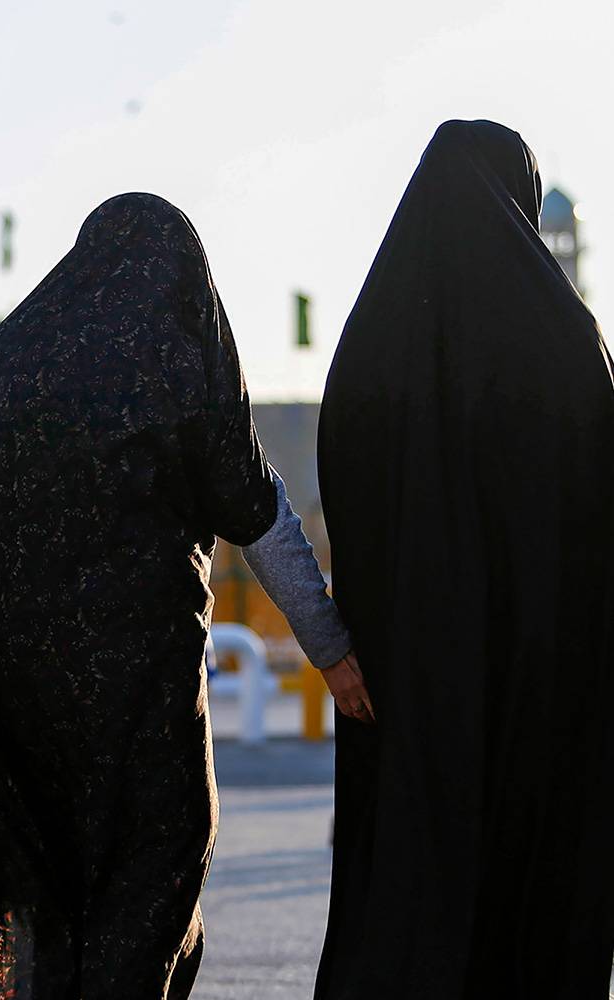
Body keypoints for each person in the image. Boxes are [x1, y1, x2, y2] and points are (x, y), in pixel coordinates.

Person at [0, 193, 369, 1000]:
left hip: (16, 697)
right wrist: (331, 651)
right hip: (137, 695)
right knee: (153, 870)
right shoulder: (171, 354)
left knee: (49, 888)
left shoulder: (7, 364)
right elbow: (252, 505)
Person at [314, 120, 614, 998]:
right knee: (533, 872)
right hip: (544, 675)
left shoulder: (372, 339)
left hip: (402, 676)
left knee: (413, 870)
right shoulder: (567, 343)